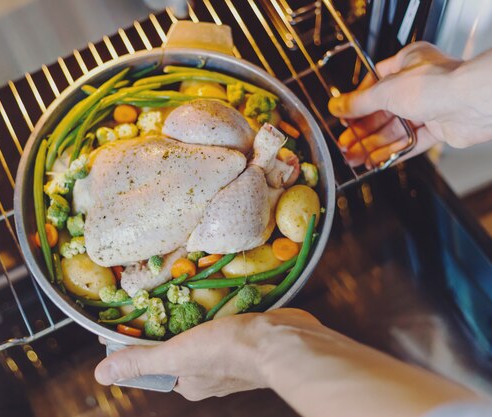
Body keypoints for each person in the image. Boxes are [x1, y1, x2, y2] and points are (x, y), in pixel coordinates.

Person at [94, 42, 492, 417]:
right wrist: (460, 91)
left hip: (186, 165)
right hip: (207, 151)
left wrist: (261, 349)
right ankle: (264, 167)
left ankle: (261, 169)